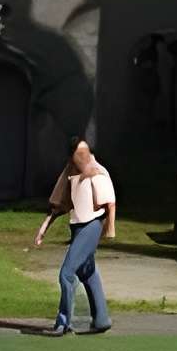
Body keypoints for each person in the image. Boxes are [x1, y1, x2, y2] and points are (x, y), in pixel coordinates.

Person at [32, 138, 114, 337]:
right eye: (79, 154)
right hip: (77, 226)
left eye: (85, 153)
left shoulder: (98, 172)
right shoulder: (70, 173)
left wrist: (109, 228)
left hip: (92, 225)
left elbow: (110, 203)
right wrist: (44, 227)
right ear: (71, 157)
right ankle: (102, 319)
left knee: (66, 274)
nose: (83, 158)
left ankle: (62, 323)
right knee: (87, 272)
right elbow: (59, 203)